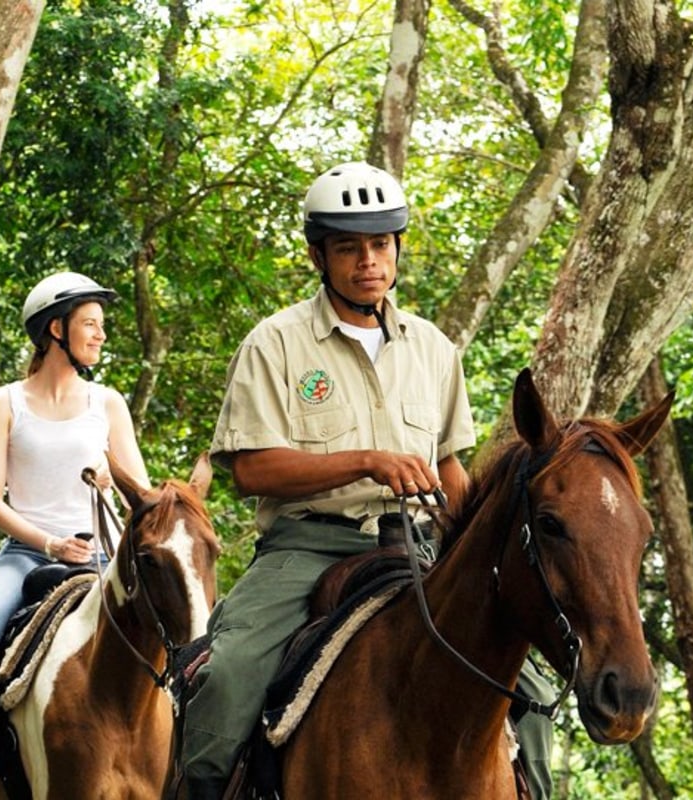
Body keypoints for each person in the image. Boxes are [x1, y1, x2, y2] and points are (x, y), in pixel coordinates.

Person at [176, 161, 479, 799]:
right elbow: (253, 469)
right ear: (319, 254)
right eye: (348, 247)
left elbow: (451, 466)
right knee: (227, 673)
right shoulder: (275, 344)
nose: (368, 261)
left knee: (523, 678)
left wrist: (473, 537)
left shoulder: (434, 349)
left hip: (417, 546)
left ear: (397, 249)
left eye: (379, 245)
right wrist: (367, 460)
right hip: (307, 547)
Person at [0, 271, 151, 800]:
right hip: (26, 555)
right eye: (90, 324)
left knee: (175, 637)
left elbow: (143, 491)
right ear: (55, 330)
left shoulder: (107, 404)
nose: (100, 335)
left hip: (100, 557)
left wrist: (120, 482)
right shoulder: (5, 402)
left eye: (101, 325)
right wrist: (49, 544)